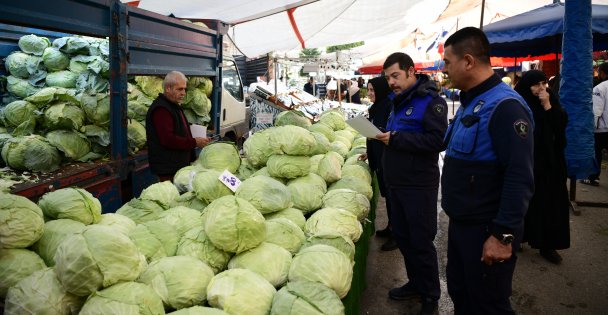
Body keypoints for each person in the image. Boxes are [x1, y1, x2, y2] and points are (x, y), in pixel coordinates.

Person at [441, 27, 534, 315]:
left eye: (447, 62)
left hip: (486, 230)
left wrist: (502, 235)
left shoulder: (505, 107)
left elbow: (520, 176)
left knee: (488, 304)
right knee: (461, 293)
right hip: (463, 225)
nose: (444, 69)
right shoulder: (471, 101)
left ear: (468, 61)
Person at [376, 52, 447, 315]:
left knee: (420, 242)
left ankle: (430, 295)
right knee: (404, 240)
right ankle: (416, 283)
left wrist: (395, 139)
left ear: (411, 71)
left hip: (418, 187)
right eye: (387, 78)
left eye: (395, 75)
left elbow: (437, 141)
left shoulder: (431, 102)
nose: (391, 82)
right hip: (397, 184)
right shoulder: (397, 101)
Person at [514, 70, 570, 264]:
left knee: (550, 203)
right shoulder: (519, 102)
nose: (540, 88)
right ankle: (519, 237)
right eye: (535, 84)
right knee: (523, 202)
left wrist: (548, 105)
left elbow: (560, 125)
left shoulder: (551, 99)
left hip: (549, 162)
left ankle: (548, 244)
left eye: (543, 83)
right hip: (526, 161)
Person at [146, 71, 210, 181]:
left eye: (184, 89)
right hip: (168, 169)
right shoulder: (161, 109)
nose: (183, 93)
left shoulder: (173, 105)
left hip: (176, 166)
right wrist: (194, 142)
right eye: (179, 89)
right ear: (167, 89)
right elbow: (168, 139)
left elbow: (177, 128)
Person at [358, 76, 397, 251]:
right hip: (378, 156)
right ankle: (391, 227)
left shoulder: (388, 106)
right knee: (387, 197)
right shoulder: (376, 107)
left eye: (373, 90)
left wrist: (378, 132)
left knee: (393, 198)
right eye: (369, 90)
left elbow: (387, 132)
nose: (370, 93)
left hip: (387, 159)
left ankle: (397, 235)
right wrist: (369, 153)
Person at [583, 62, 608, 186]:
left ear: (603, 73)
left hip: (602, 129)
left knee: (596, 152)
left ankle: (593, 177)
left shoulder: (600, 88)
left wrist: (591, 128)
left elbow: (596, 110)